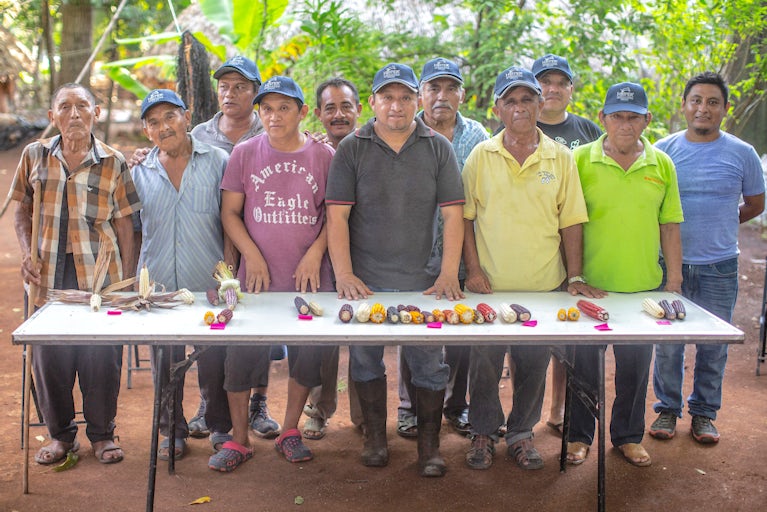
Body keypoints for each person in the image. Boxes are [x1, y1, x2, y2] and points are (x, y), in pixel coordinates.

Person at [326, 63, 465, 477]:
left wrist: (447, 274)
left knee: (428, 365)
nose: (397, 105)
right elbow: (337, 217)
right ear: (373, 103)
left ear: (418, 101)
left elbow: (454, 216)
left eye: (405, 97)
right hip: (365, 282)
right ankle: (374, 438)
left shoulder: (438, 147)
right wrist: (346, 275)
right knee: (366, 361)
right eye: (388, 97)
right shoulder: (352, 147)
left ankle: (429, 447)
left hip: (423, 282)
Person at [462, 66, 602, 471]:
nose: (520, 108)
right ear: (497, 109)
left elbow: (571, 221)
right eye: (511, 101)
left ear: (540, 105)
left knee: (533, 364)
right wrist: (472, 269)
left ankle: (522, 434)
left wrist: (573, 277)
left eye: (527, 99)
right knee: (485, 365)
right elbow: (466, 219)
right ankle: (484, 432)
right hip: (489, 286)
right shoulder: (480, 156)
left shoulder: (560, 158)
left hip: (542, 286)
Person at [12, 83, 139, 465]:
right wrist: (25, 251)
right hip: (48, 275)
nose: (74, 114)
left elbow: (127, 225)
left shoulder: (114, 161)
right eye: (64, 107)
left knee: (101, 357)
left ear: (95, 113)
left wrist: (126, 284)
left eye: (82, 106)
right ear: (52, 117)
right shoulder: (34, 154)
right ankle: (60, 436)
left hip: (100, 278)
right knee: (49, 359)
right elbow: (22, 210)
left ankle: (103, 435)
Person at [213, 76, 335, 470]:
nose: (274, 115)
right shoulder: (245, 153)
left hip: (310, 280)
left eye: (285, 107)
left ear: (302, 112)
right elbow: (230, 213)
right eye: (267, 108)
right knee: (241, 356)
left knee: (306, 357)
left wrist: (316, 253)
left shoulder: (324, 157)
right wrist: (253, 254)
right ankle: (239, 440)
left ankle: (289, 430)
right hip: (255, 282)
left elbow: (336, 216)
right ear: (258, 112)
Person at [567, 82, 684, 467]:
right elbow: (568, 223)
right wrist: (575, 276)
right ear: (602, 118)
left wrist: (674, 283)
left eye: (634, 117)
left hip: (641, 288)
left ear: (647, 120)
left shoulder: (661, 163)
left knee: (635, 371)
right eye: (617, 116)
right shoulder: (580, 160)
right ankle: (578, 436)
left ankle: (628, 436)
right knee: (583, 368)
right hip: (590, 287)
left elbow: (669, 225)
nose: (625, 124)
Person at [649, 72, 765, 444]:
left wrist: (721, 225)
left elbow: (754, 204)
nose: (703, 108)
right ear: (684, 106)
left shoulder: (743, 153)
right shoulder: (662, 150)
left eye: (712, 102)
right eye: (696, 100)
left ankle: (703, 414)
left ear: (725, 109)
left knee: (713, 345)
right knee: (668, 344)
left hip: (720, 267)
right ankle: (667, 410)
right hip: (670, 266)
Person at [132, 89, 231, 461]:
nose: (164, 127)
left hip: (208, 284)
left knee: (214, 361)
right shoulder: (139, 170)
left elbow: (231, 220)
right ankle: (171, 431)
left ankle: (221, 427)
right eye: (154, 122)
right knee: (164, 362)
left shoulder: (219, 160)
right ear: (146, 132)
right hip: (156, 288)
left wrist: (229, 278)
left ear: (187, 118)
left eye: (170, 117)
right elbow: (134, 229)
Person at [187, 56, 282, 442]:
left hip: (265, 245)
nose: (231, 93)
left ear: (256, 92)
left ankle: (258, 402)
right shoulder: (199, 134)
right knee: (212, 326)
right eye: (225, 86)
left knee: (259, 328)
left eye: (241, 86)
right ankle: (209, 403)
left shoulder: (273, 128)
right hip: (213, 244)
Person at [396, 57, 489, 440]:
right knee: (413, 327)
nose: (442, 96)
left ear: (462, 94)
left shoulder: (478, 137)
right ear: (420, 95)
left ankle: (456, 405)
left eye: (451, 88)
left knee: (460, 334)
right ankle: (409, 406)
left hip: (462, 252)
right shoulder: (403, 132)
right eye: (434, 88)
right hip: (413, 253)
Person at [531, 53, 603, 436]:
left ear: (571, 90)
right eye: (544, 82)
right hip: (533, 251)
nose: (552, 89)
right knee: (526, 337)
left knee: (568, 335)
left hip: (576, 250)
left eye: (561, 82)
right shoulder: (515, 125)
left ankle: (559, 409)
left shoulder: (590, 131)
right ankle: (523, 413)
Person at [301, 77, 364, 441]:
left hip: (365, 253)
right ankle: (319, 409)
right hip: (323, 256)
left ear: (359, 109)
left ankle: (364, 413)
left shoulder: (371, 147)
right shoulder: (315, 153)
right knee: (323, 334)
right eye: (330, 108)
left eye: (346, 106)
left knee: (362, 336)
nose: (338, 114)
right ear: (320, 115)